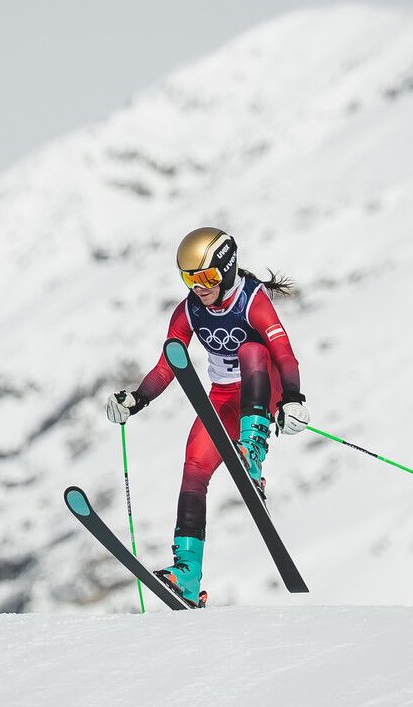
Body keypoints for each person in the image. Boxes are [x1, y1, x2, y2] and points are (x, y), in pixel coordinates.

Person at [104, 226, 310, 606]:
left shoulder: (252, 301)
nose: (198, 287)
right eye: (189, 278)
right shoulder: (189, 310)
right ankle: (186, 574)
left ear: (227, 269)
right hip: (222, 400)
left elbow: (283, 353)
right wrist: (137, 399)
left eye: (207, 277)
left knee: (251, 349)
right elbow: (168, 364)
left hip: (264, 392)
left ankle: (253, 451)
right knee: (193, 469)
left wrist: (294, 398)